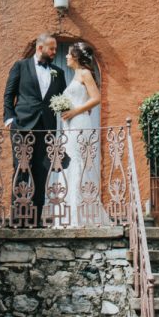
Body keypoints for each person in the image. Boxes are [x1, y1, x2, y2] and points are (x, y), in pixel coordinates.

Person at [3, 32, 67, 226]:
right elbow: (9, 94)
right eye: (52, 48)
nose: (55, 52)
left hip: (46, 129)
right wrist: (9, 120)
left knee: (42, 171)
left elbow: (62, 100)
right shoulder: (21, 66)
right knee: (21, 169)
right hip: (22, 127)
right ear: (40, 48)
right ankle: (17, 218)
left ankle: (36, 219)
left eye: (55, 49)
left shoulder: (58, 72)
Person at [60, 41, 105, 227]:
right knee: (71, 163)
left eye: (69, 54)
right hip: (71, 124)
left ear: (77, 56)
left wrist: (74, 112)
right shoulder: (75, 75)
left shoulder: (85, 74)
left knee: (78, 162)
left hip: (79, 123)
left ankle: (78, 217)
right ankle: (69, 212)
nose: (66, 57)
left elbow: (96, 98)